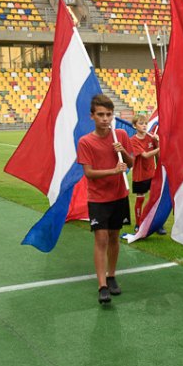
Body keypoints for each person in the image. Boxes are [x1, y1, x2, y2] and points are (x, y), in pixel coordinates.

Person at [76, 94, 134, 305]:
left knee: (114, 237)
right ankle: (102, 285)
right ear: (92, 116)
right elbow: (89, 173)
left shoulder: (120, 135)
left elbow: (131, 163)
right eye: (100, 114)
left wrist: (123, 152)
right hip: (98, 198)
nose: (105, 119)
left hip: (119, 195)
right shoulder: (85, 142)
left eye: (109, 114)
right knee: (101, 238)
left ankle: (112, 276)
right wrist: (113, 170)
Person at [128, 114, 160, 230]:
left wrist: (158, 142)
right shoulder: (133, 140)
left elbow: (158, 155)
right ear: (134, 126)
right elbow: (145, 155)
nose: (144, 126)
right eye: (141, 123)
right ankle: (138, 224)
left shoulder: (151, 137)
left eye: (146, 123)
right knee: (140, 198)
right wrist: (160, 147)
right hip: (140, 175)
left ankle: (156, 224)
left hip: (152, 174)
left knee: (155, 199)